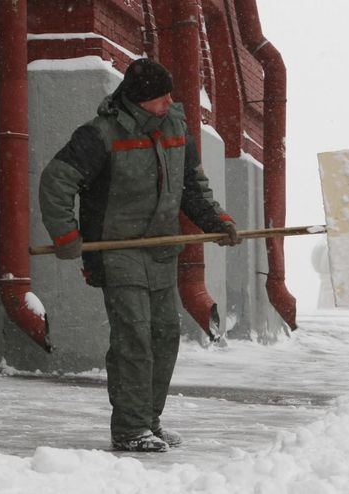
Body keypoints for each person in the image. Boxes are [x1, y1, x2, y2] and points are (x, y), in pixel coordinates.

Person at [39, 58, 240, 452]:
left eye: (169, 93)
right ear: (138, 99)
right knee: (135, 338)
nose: (169, 100)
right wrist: (67, 236)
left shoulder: (177, 128)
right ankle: (130, 429)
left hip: (161, 249)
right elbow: (56, 180)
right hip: (118, 251)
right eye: (159, 96)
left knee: (165, 337)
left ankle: (150, 420)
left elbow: (191, 185)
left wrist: (216, 220)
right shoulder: (100, 134)